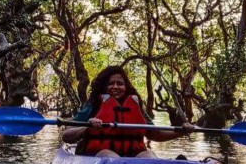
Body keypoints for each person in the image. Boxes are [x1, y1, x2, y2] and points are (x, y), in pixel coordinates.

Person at [62, 66, 193, 158]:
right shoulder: (93, 105)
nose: (115, 87)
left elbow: (156, 134)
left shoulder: (135, 106)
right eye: (110, 83)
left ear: (126, 86)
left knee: (148, 155)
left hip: (132, 155)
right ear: (103, 86)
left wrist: (181, 131)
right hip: (97, 157)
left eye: (120, 83)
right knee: (108, 154)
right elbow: (67, 135)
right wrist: (87, 128)